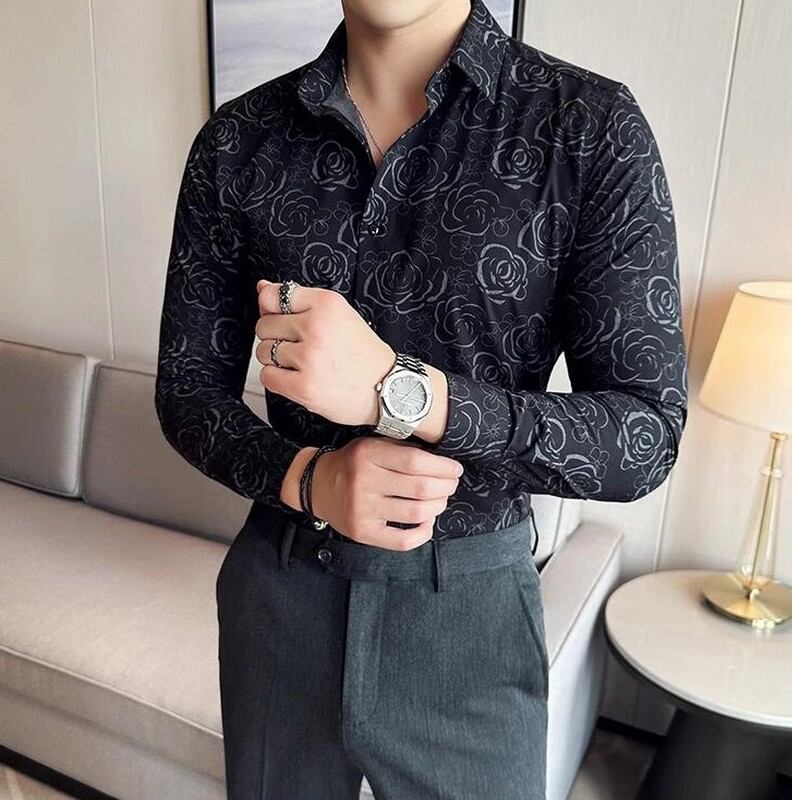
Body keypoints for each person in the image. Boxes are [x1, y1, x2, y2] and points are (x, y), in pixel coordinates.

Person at [154, 0, 688, 797]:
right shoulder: (238, 140)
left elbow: (644, 434)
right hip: (282, 590)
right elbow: (187, 391)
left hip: (468, 616)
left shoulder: (587, 127)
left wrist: (403, 393)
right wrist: (309, 478)